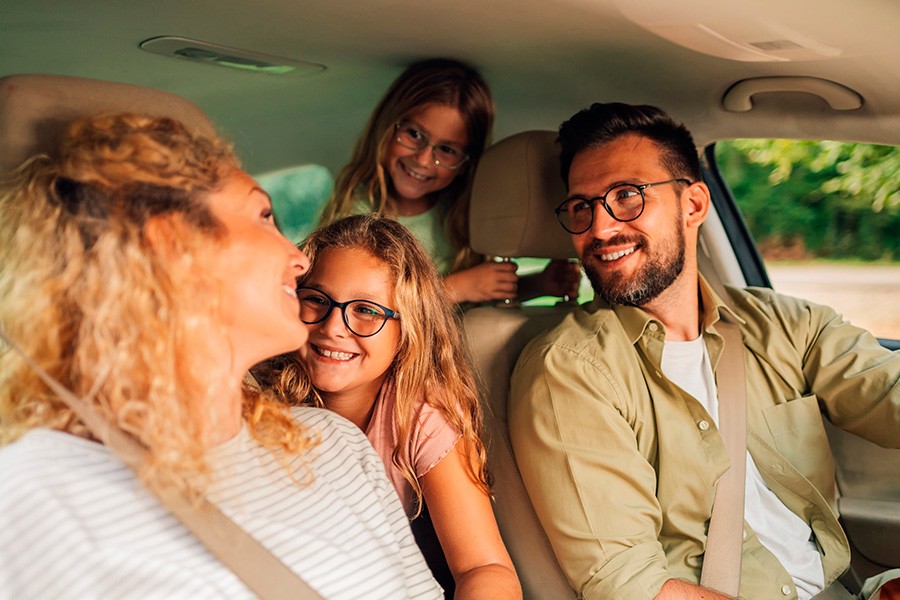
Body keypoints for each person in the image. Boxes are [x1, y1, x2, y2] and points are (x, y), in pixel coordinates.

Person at [0, 113, 442, 599]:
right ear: (175, 244)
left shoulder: (336, 445)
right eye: (263, 216)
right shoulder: (33, 502)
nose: (299, 259)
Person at [508, 102, 900, 600]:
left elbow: (888, 391)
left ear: (693, 205)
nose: (600, 229)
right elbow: (632, 586)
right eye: (582, 207)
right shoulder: (571, 369)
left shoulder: (786, 324)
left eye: (626, 196)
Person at [257, 214, 522, 599]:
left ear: (408, 330)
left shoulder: (419, 416)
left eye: (366, 310)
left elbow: (484, 567)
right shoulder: (265, 399)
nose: (334, 326)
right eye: (317, 299)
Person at [319, 57, 579, 305]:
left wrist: (537, 285)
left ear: (466, 162)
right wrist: (458, 287)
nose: (423, 160)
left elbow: (468, 301)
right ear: (387, 126)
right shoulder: (357, 215)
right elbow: (366, 306)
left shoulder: (459, 215)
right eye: (414, 134)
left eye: (447, 150)